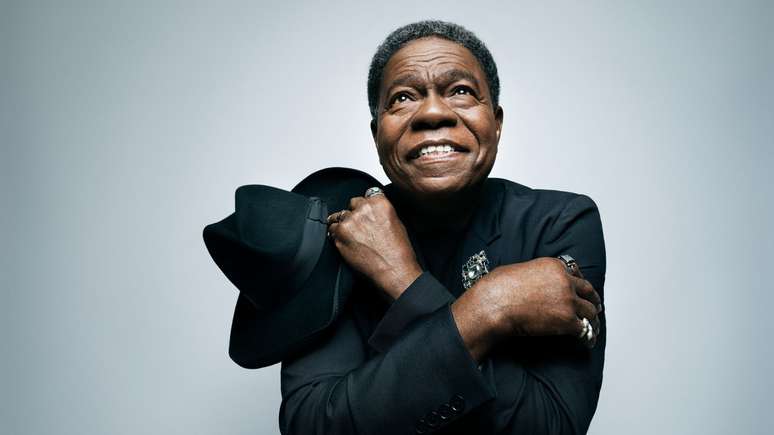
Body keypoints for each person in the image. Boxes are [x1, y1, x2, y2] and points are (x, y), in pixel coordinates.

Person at [279, 20, 606, 435]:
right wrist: (490, 308)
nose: (433, 113)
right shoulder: (336, 233)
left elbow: (550, 425)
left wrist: (405, 284)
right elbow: (313, 425)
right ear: (377, 134)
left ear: (496, 122)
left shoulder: (558, 223)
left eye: (461, 91)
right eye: (402, 97)